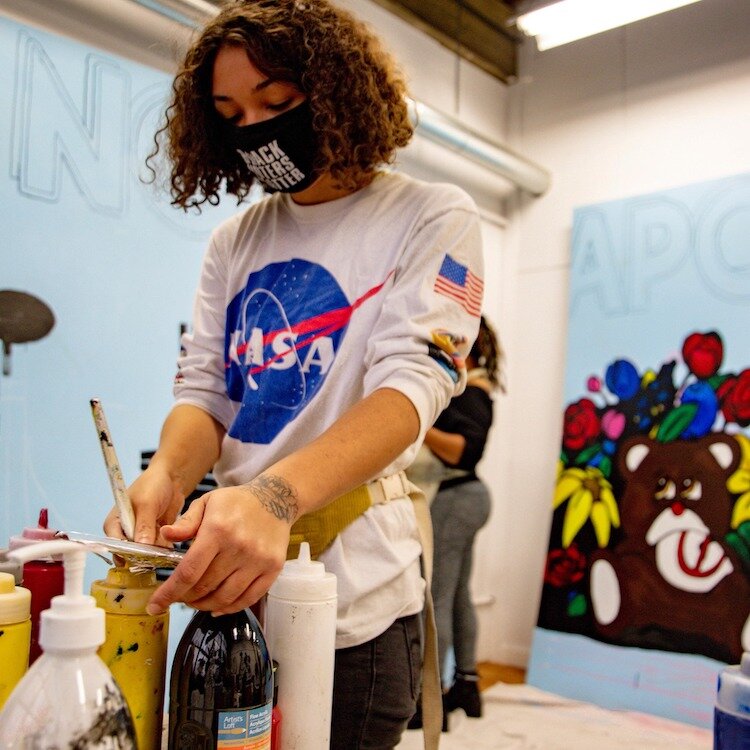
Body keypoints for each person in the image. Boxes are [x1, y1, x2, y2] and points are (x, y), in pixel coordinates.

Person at [103, 1, 484, 748]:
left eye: (277, 104)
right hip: (236, 596)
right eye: (231, 112)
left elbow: (413, 387)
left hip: (354, 605)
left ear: (338, 92)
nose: (255, 129)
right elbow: (207, 391)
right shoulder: (234, 240)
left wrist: (274, 497)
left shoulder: (433, 216)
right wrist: (169, 479)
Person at [419, 315, 502, 728]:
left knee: (437, 598)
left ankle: (429, 701)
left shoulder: (471, 390)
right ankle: (467, 686)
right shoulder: (477, 387)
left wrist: (415, 421)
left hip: (457, 497)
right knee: (456, 596)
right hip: (468, 497)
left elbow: (464, 451)